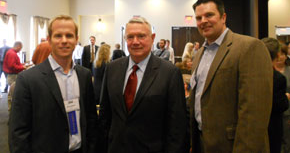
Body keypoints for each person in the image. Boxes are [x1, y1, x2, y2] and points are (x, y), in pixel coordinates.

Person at [189, 0, 273, 153]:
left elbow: (254, 115)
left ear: (223, 17)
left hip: (234, 146)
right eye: (199, 18)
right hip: (203, 143)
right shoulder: (199, 54)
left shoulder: (249, 47)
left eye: (209, 15)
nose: (203, 21)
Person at [9, 15, 98, 153]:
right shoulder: (27, 79)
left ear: (76, 40)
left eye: (69, 35)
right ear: (49, 40)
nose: (64, 41)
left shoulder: (84, 75)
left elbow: (91, 120)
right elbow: (18, 133)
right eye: (58, 36)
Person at [99, 17, 189, 153]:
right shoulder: (112, 68)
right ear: (125, 39)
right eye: (130, 37)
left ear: (152, 38)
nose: (135, 42)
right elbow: (105, 117)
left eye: (141, 36)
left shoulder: (170, 72)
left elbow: (177, 126)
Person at [262, 38, 289, 153]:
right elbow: (279, 105)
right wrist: (286, 98)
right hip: (273, 125)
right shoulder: (278, 78)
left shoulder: (252, 73)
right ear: (278, 55)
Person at [274, 44, 290, 153]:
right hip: (274, 113)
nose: (280, 57)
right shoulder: (267, 71)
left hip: (288, 112)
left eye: (283, 54)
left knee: (287, 141)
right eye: (278, 54)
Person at [3, 41, 26, 111]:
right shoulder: (12, 53)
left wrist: (21, 65)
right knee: (14, 94)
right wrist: (23, 67)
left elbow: (13, 64)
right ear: (18, 46)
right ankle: (13, 111)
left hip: (12, 75)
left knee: (11, 93)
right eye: (20, 48)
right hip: (13, 75)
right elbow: (12, 66)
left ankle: (12, 110)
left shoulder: (11, 52)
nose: (20, 50)